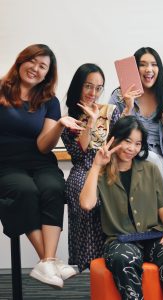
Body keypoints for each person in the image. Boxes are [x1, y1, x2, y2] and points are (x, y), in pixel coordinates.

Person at [80, 116, 163, 300]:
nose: (132, 148)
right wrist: (96, 166)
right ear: (115, 139)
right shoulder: (101, 173)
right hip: (120, 240)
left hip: (153, 235)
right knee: (124, 259)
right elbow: (86, 203)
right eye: (127, 141)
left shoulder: (150, 169)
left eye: (138, 143)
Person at [0, 44, 82, 288]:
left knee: (53, 188)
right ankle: (50, 260)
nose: (35, 69)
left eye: (42, 66)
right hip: (6, 164)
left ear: (48, 74)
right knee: (25, 190)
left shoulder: (49, 101)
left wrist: (59, 125)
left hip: (40, 161)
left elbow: (44, 147)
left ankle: (47, 262)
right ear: (20, 61)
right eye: (32, 62)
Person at [61, 63, 120, 272]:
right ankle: (89, 262)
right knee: (81, 189)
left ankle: (116, 258)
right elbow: (79, 154)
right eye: (88, 86)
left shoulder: (110, 112)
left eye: (98, 88)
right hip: (83, 169)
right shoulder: (69, 118)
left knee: (115, 189)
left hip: (107, 167)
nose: (93, 93)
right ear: (79, 86)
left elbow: (120, 143)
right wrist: (90, 123)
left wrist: (128, 109)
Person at [109, 47, 163, 185]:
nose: (149, 69)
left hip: (158, 161)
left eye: (154, 65)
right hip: (126, 158)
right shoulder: (119, 96)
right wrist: (128, 108)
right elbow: (112, 136)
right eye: (142, 65)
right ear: (134, 69)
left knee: (150, 160)